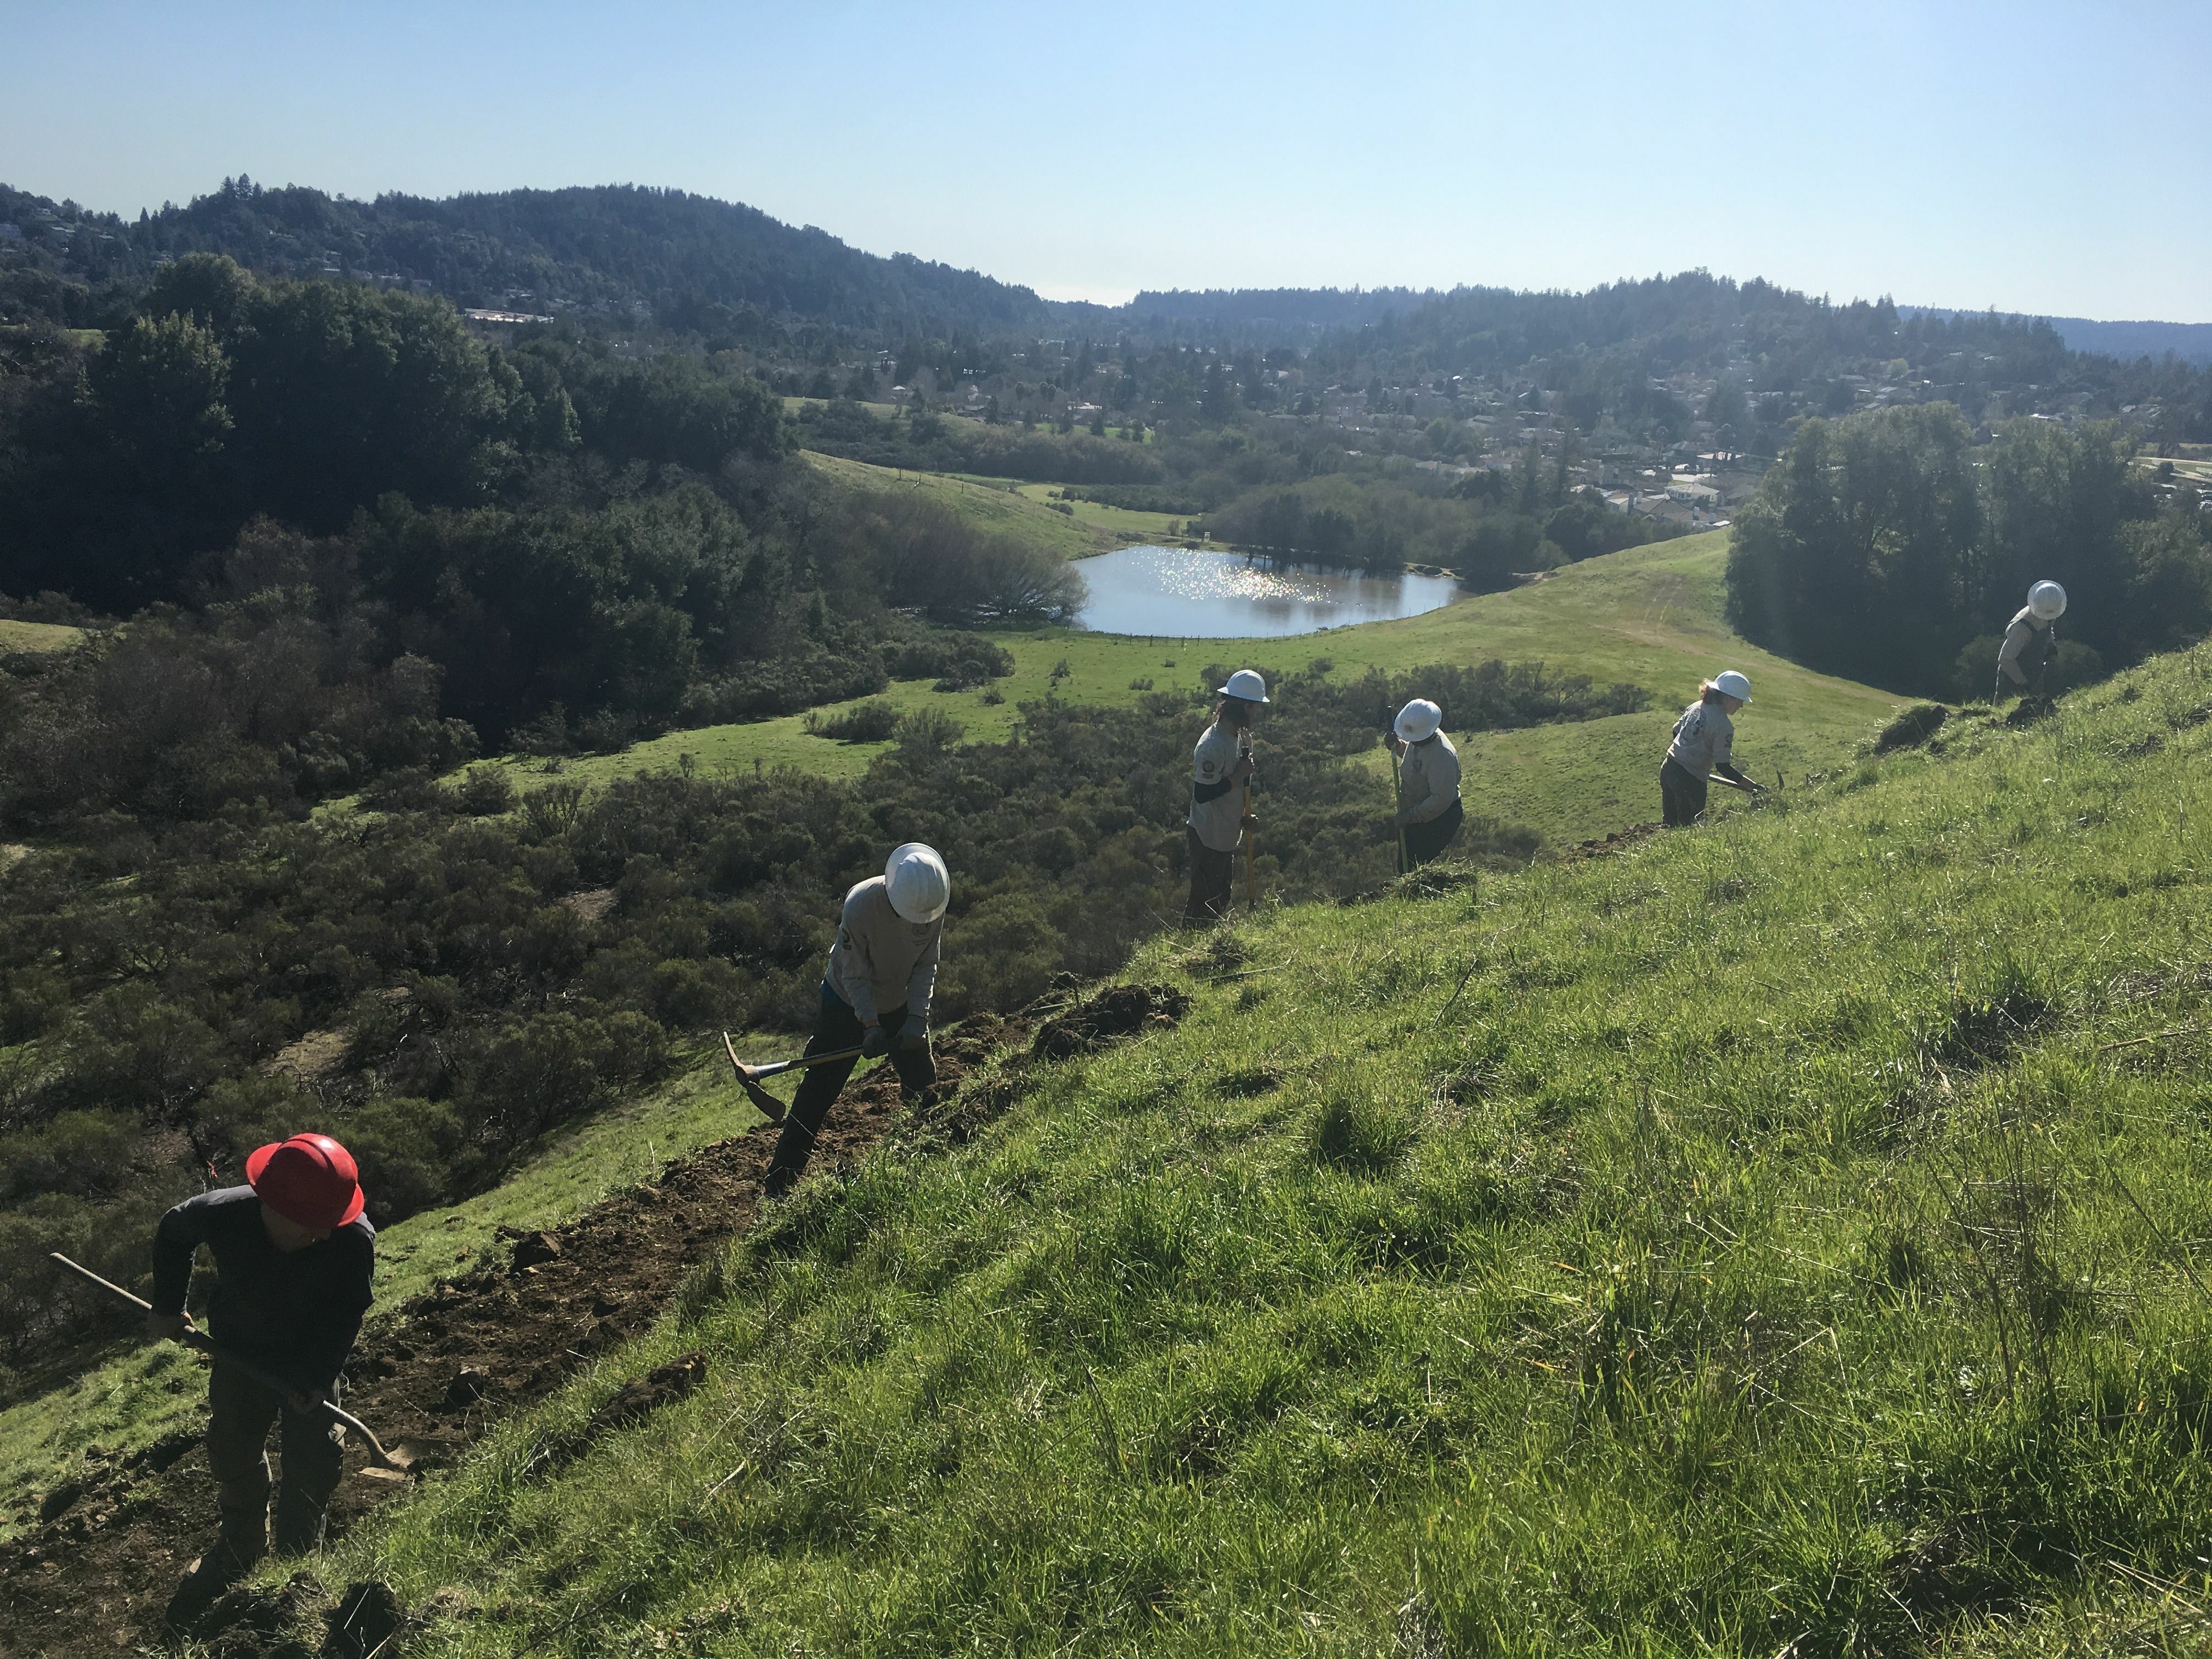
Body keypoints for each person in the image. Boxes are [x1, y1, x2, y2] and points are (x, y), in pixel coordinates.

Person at [148, 1133, 375, 1626]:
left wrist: (318, 1378)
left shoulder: (351, 1237)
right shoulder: (222, 1212)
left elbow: (347, 1313)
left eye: (327, 1225)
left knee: (315, 1458)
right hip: (238, 1352)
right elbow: (172, 1231)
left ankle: (298, 1562)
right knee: (231, 1447)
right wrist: (169, 1306)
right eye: (307, 1227)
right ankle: (242, 1545)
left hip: (309, 1360)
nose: (320, 1235)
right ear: (267, 1204)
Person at [765, 842, 949, 1197]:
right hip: (845, 1004)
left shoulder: (932, 903)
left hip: (898, 1003)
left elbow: (927, 965)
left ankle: (930, 1154)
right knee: (816, 1095)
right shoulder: (861, 905)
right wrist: (869, 1025)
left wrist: (916, 1018)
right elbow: (855, 975)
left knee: (923, 1082)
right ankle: (777, 1189)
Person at [1184, 669, 1266, 925]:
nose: (1257, 714)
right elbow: (1203, 793)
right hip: (1208, 835)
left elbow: (1239, 786)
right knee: (1203, 900)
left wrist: (1244, 816)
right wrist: (1238, 775)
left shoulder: (1242, 738)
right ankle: (1190, 950)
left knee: (1221, 897)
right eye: (1255, 708)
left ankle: (1207, 946)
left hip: (1227, 834)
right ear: (1244, 706)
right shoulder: (1213, 744)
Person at [1661, 670, 1763, 827]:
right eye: (1740, 701)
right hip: (1690, 780)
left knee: (1670, 824)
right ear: (1728, 697)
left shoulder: (1696, 706)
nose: (1742, 705)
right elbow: (1723, 767)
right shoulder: (1724, 725)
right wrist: (1753, 786)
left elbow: (1676, 731)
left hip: (1669, 767)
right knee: (1688, 829)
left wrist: (1685, 754)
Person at [1389, 697, 1464, 870]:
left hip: (1438, 818)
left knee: (1414, 866)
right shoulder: (1423, 739)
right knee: (1407, 864)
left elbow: (1441, 799)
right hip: (1418, 812)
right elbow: (1416, 762)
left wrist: (1410, 817)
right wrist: (1398, 746)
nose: (1412, 741)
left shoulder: (1442, 757)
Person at [1995, 580, 2067, 702]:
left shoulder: (2048, 611)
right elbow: (2005, 659)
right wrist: (2022, 683)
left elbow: (2047, 630)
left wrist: (2051, 646)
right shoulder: (2021, 629)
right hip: (2012, 680)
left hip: (2035, 672)